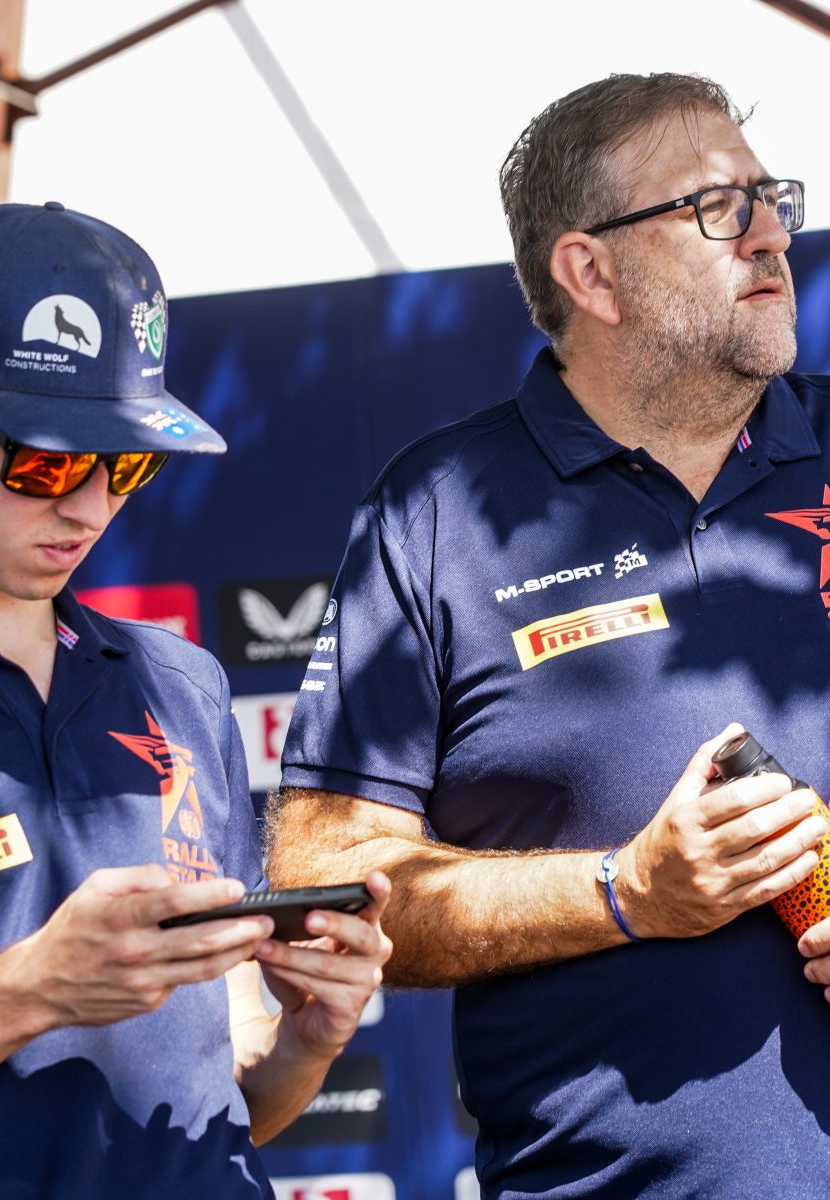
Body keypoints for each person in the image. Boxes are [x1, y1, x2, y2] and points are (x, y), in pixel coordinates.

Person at [273, 73, 830, 1197]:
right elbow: (325, 878)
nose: (772, 233)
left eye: (774, 198)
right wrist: (627, 892)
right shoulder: (438, 512)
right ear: (591, 272)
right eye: (719, 207)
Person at [0, 201, 391, 1200]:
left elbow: (229, 1099)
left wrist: (306, 1040)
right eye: (46, 461)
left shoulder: (179, 683)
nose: (88, 505)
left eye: (126, 465)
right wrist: (29, 992)